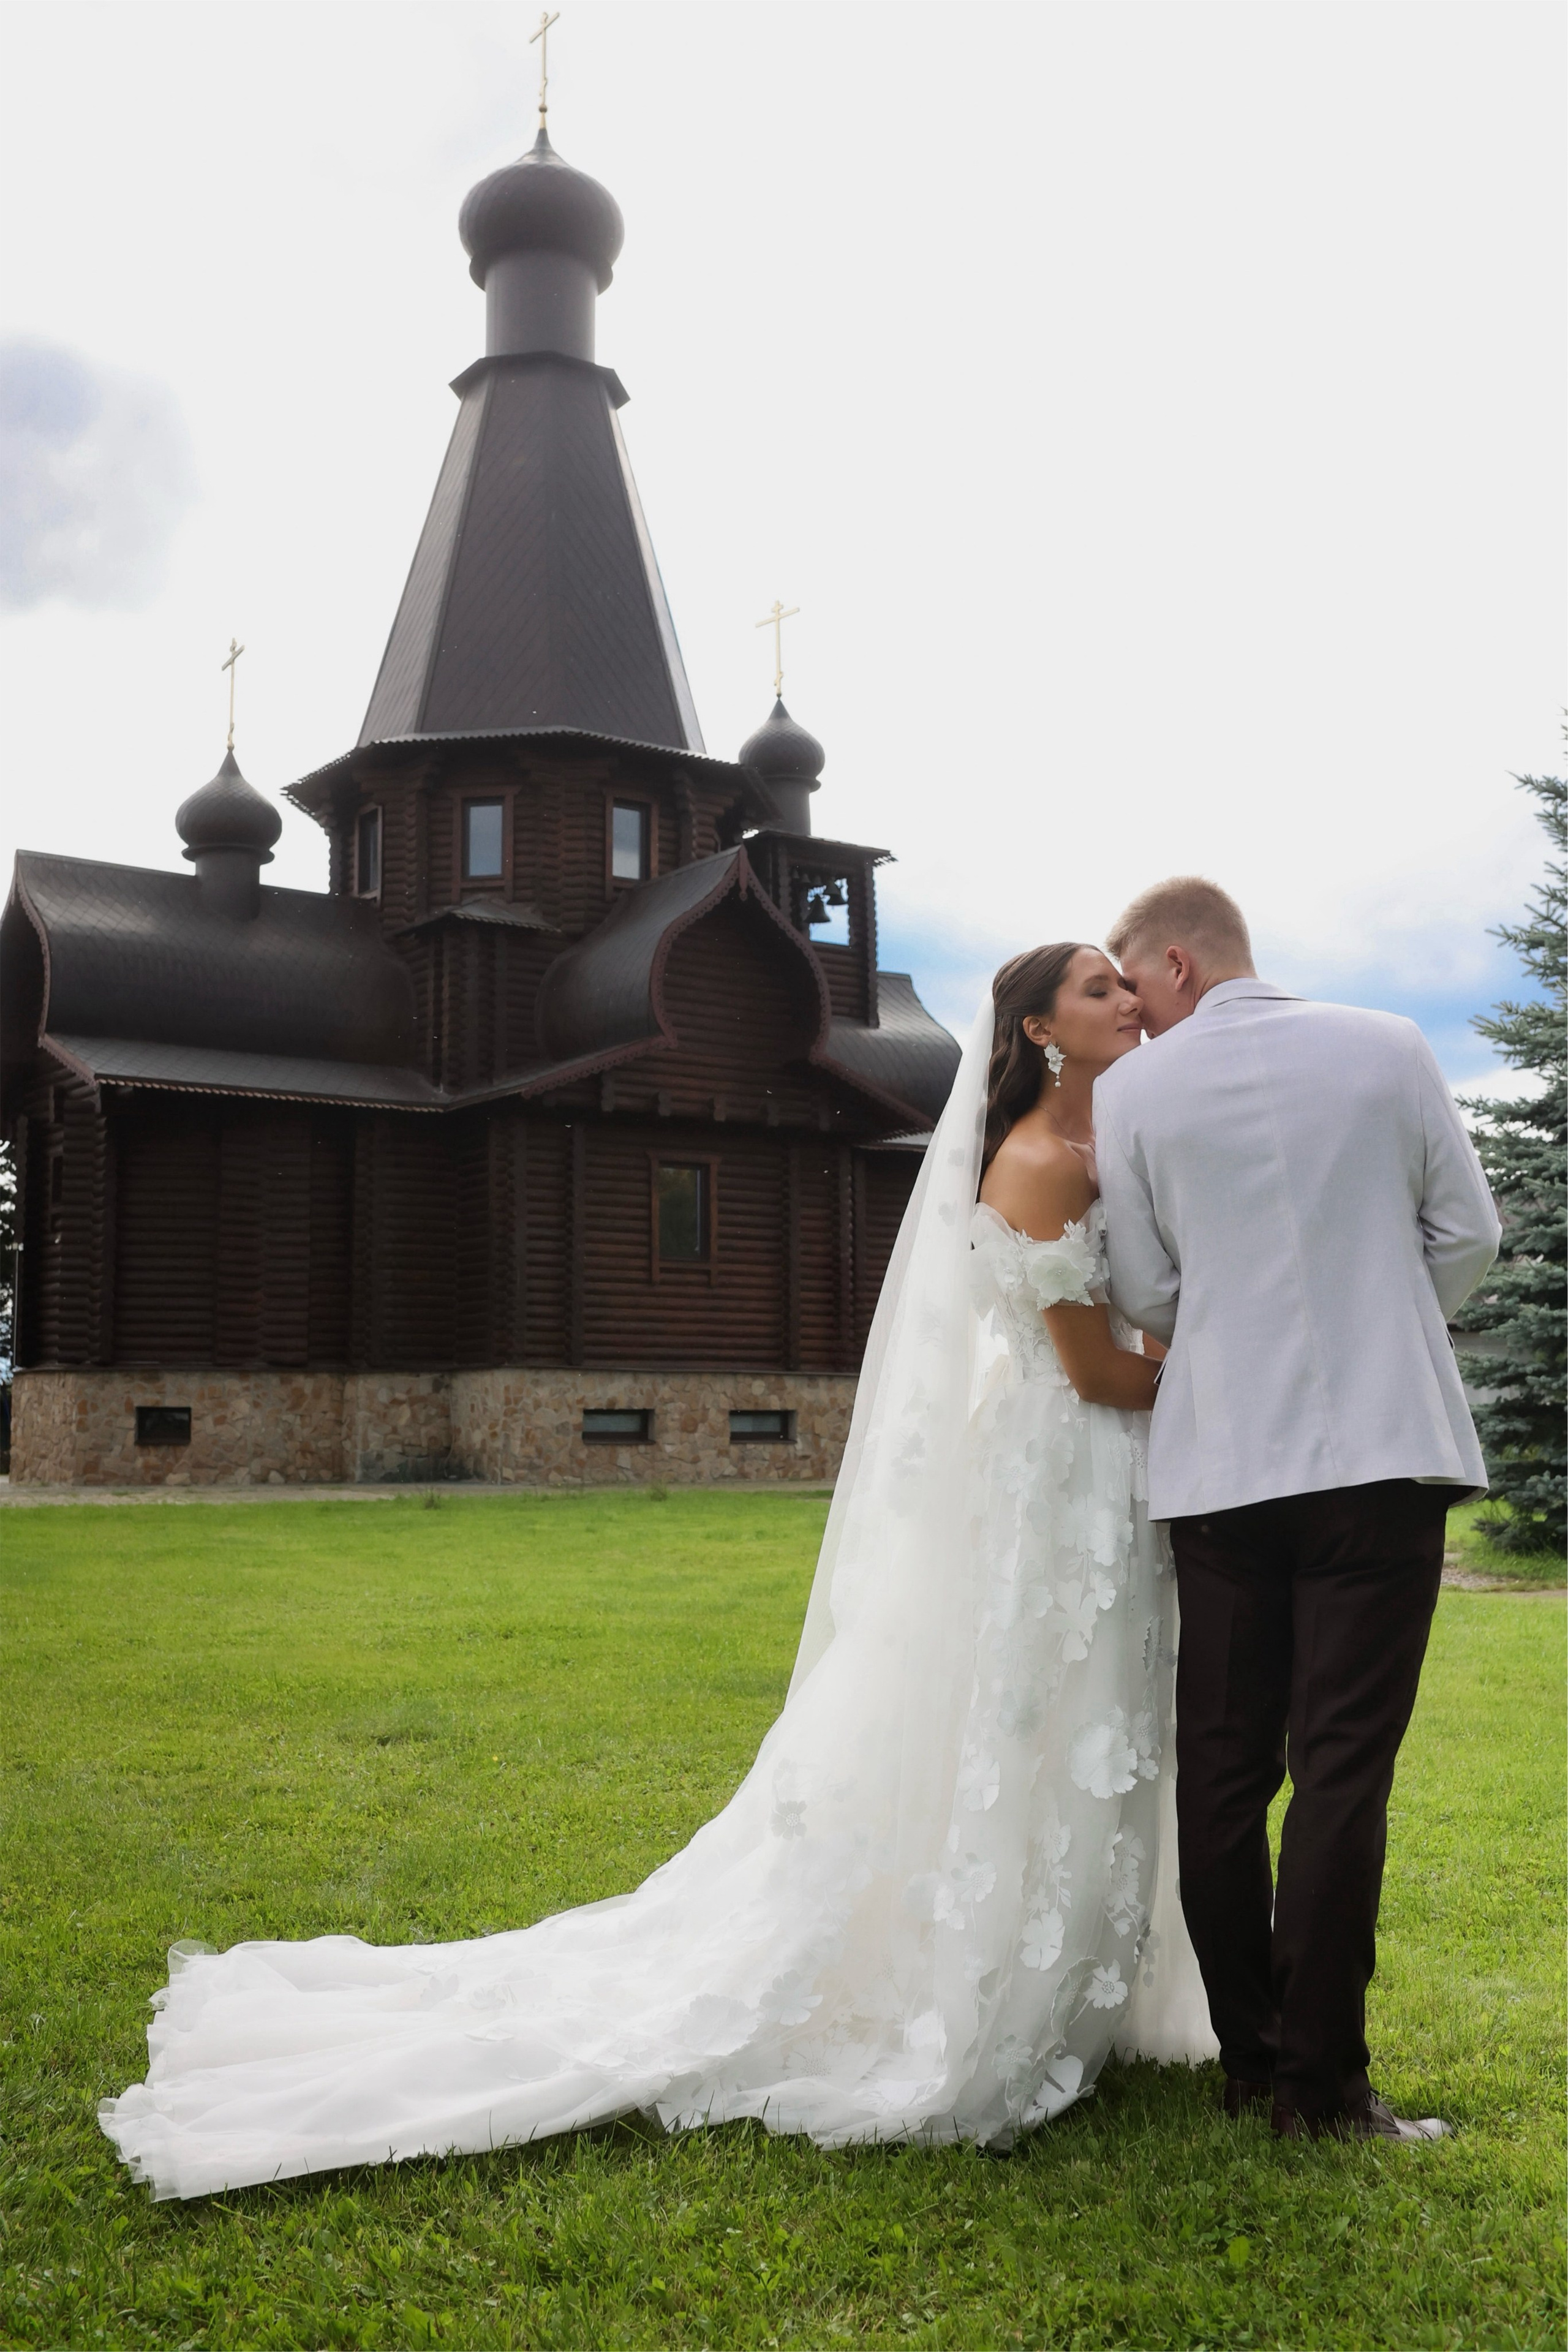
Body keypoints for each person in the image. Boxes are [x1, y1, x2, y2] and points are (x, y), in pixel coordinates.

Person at [99, 947, 1213, 2201]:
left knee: (1063, 1716)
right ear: (1039, 1027)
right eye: (1100, 988)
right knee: (1034, 1710)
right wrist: (1227, 1365)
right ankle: (988, 1982)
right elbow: (1093, 1370)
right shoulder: (1038, 1163)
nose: (1130, 1001)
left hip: (1078, 1476)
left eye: (1133, 984)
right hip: (1059, 1472)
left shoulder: (1096, 1148)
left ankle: (1067, 1972)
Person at [1096, 876, 1501, 2144]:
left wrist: (1230, 1326)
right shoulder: (1388, 1045)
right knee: (1340, 1773)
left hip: (1219, 1469)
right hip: (1377, 1462)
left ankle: (1245, 2059)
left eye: (1132, 987)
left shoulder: (1129, 1095)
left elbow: (1148, 1288)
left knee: (1220, 1770)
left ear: (1173, 961)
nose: (1132, 1017)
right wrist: (1376, 1316)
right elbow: (1467, 1232)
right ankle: (1318, 2093)